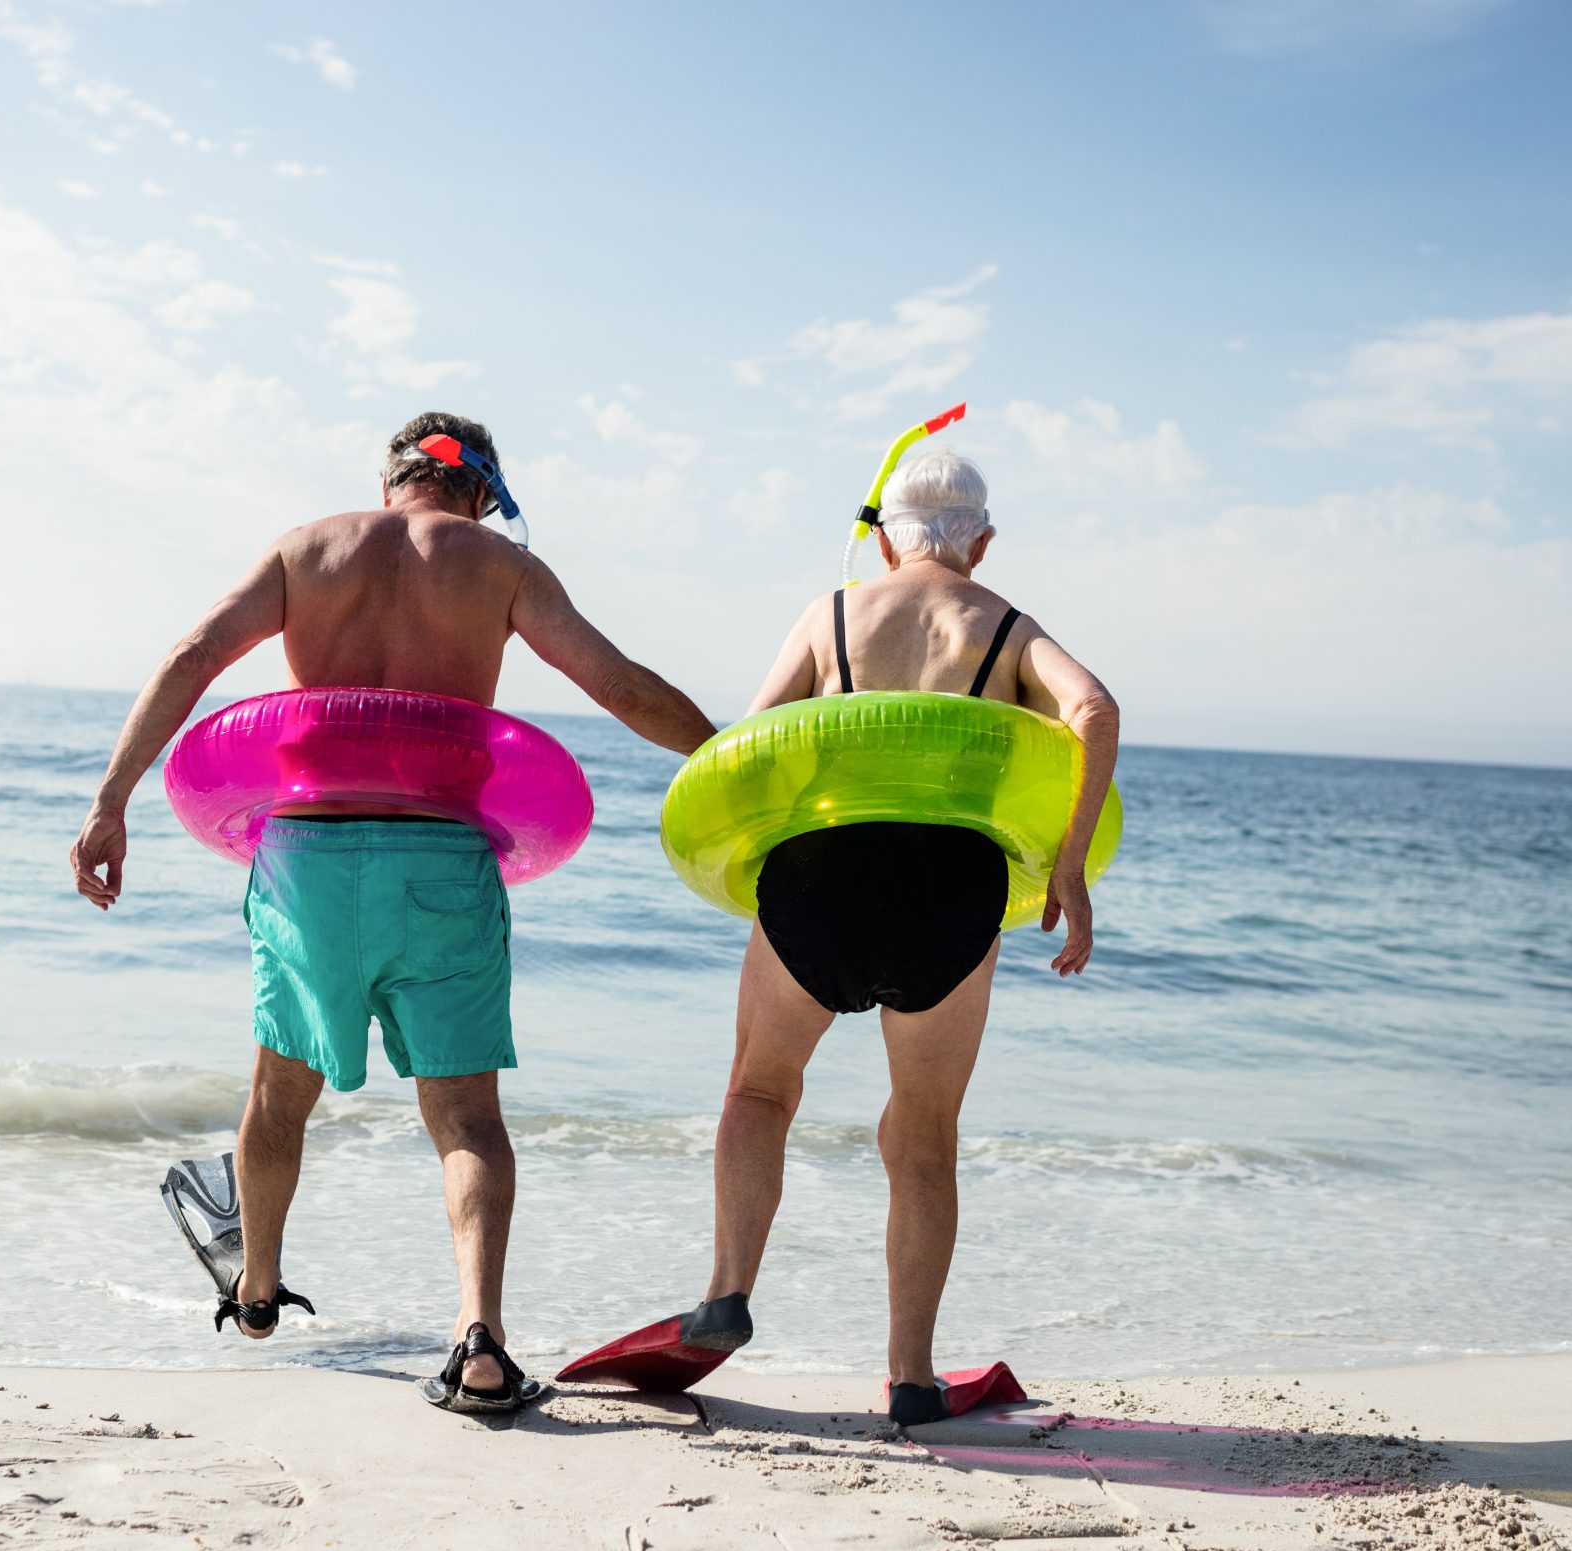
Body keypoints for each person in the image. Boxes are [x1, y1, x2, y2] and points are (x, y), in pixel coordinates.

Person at [71, 412, 715, 1413]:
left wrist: (110, 800)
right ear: (479, 493)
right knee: (465, 1117)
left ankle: (254, 1294)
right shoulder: (498, 568)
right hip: (443, 860)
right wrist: (733, 763)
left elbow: (196, 652)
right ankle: (481, 1346)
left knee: (279, 1093)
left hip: (308, 865)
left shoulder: (304, 550)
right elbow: (621, 687)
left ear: (390, 482)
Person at [681, 448, 1119, 1425]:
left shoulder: (831, 611)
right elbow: (1093, 708)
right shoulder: (1005, 626)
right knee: (922, 1140)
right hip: (949, 890)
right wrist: (1069, 870)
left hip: (822, 874)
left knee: (759, 1091)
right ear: (982, 544)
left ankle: (727, 1293)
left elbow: (747, 749)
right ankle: (911, 1379)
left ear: (883, 538)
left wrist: (746, 867)